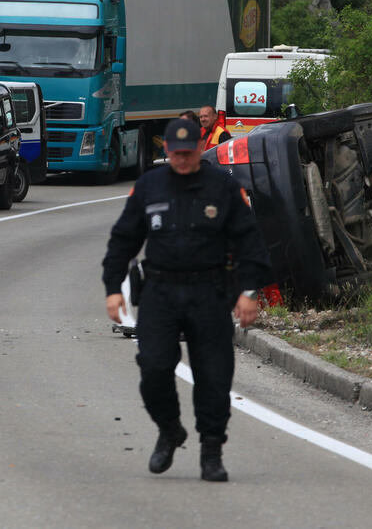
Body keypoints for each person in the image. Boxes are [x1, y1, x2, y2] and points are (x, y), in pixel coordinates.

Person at [101, 117, 271, 482]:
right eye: (175, 153)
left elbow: (250, 243)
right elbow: (123, 240)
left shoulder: (222, 188)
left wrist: (249, 292)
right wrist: (113, 288)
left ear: (198, 147)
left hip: (209, 293)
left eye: (188, 152)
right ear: (167, 151)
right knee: (153, 366)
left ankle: (212, 451)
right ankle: (169, 429)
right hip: (160, 293)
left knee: (214, 375)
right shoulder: (149, 186)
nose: (181, 159)